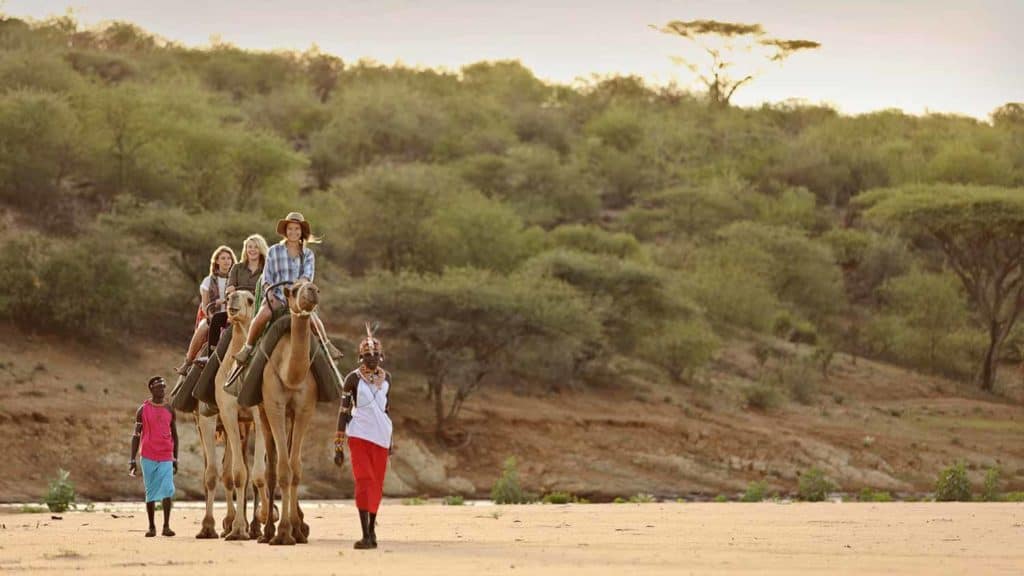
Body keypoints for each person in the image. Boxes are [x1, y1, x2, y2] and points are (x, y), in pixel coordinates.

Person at [233, 212, 342, 367]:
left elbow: (307, 277)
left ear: (301, 232)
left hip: (298, 299)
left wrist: (297, 288)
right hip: (277, 296)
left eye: (297, 229)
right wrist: (269, 292)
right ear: (285, 231)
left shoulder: (308, 254)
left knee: (313, 319)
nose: (293, 232)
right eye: (290, 228)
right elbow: (267, 277)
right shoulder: (273, 251)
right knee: (263, 315)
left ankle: (327, 345)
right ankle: (248, 347)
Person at [335, 325, 392, 550]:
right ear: (360, 357)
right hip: (359, 435)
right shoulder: (352, 379)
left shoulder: (387, 378)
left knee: (376, 484)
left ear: (381, 356)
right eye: (367, 355)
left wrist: (392, 441)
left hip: (382, 438)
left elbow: (387, 410)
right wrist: (338, 446)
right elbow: (343, 412)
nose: (372, 359)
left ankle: (372, 533)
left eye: (375, 355)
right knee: (364, 481)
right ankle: (365, 533)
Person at [129, 376, 179, 537]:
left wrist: (175, 458)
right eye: (158, 387)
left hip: (166, 455)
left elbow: (175, 436)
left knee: (167, 490)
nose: (162, 390)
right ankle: (151, 527)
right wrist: (132, 460)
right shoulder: (142, 410)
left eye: (163, 387)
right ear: (151, 389)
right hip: (148, 455)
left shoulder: (170, 409)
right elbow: (136, 436)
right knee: (150, 492)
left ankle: (166, 526)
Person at [175, 245, 237, 375]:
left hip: (232, 316)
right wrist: (211, 314)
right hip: (212, 315)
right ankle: (188, 362)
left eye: (229, 258)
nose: (226, 261)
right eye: (223, 258)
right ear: (217, 261)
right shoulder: (208, 281)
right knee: (203, 328)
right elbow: (205, 305)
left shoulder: (236, 281)